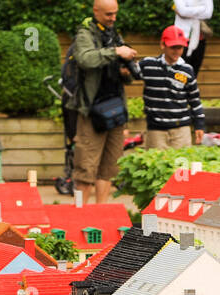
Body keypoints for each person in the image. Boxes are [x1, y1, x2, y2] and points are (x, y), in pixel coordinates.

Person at [71, 0, 140, 205]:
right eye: (109, 14)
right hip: (92, 110)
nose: (113, 18)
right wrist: (116, 52)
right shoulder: (85, 34)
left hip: (116, 109)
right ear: (96, 11)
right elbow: (85, 59)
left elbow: (121, 74)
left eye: (115, 14)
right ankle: (79, 215)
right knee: (86, 167)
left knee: (109, 167)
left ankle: (101, 213)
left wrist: (125, 72)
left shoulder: (113, 33)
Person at [141, 26, 207, 149]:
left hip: (181, 130)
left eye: (180, 47)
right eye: (173, 47)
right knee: (156, 166)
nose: (177, 51)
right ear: (162, 45)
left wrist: (199, 125)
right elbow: (129, 73)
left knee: (182, 166)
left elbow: (195, 100)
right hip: (156, 131)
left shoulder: (187, 70)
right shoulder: (148, 65)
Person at [173, 0, 215, 76]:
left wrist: (188, 11)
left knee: (193, 73)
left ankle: (190, 87)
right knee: (179, 71)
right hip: (181, 39)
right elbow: (182, 11)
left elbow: (208, 14)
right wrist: (202, 8)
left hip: (199, 40)